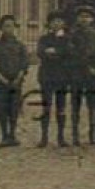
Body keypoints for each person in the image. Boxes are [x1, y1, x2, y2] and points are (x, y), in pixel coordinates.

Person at [0, 15, 31, 147]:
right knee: (2, 108)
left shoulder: (20, 45)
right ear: (1, 28)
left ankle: (12, 134)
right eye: (6, 26)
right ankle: (4, 135)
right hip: (1, 82)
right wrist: (2, 79)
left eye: (11, 26)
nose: (9, 29)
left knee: (14, 108)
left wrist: (19, 77)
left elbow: (24, 63)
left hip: (16, 81)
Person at [36, 11, 72, 147]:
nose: (56, 23)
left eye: (59, 21)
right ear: (49, 24)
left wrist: (53, 52)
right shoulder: (44, 39)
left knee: (61, 107)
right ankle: (44, 136)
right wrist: (57, 53)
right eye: (54, 21)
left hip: (62, 77)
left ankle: (61, 137)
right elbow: (40, 53)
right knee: (46, 107)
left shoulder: (68, 39)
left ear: (64, 24)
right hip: (47, 76)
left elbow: (69, 53)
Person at [67, 4, 95, 146]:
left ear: (92, 19)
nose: (84, 19)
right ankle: (75, 135)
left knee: (92, 104)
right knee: (76, 104)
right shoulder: (72, 35)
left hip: (92, 75)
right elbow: (71, 52)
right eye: (82, 16)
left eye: (87, 17)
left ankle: (93, 134)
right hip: (77, 73)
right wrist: (86, 64)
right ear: (77, 19)